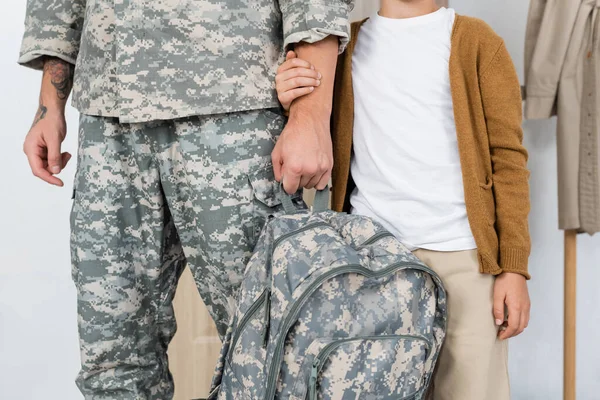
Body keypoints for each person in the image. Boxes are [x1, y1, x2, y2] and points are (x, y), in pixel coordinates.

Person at [18, 0, 353, 398]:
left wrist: (311, 114)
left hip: (234, 100)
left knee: (272, 343)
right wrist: (49, 103)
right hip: (108, 112)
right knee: (111, 353)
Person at [276, 1, 531, 399]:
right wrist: (290, 95)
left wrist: (513, 269)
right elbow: (309, 128)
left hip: (464, 257)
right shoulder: (343, 48)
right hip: (375, 260)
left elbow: (509, 161)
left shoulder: (478, 42)